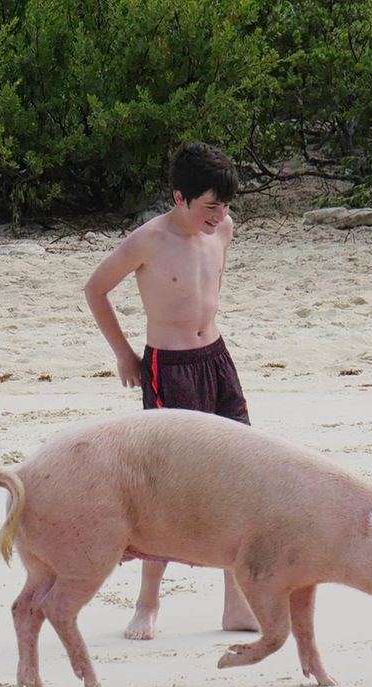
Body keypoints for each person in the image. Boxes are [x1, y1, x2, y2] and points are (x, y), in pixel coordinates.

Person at [83, 142, 259, 640]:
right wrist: (123, 354)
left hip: (217, 361)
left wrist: (220, 216)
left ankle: (236, 603)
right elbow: (95, 289)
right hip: (169, 368)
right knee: (165, 491)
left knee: (238, 477)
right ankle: (147, 603)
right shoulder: (148, 241)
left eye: (224, 205)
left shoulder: (223, 229)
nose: (219, 215)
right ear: (179, 198)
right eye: (209, 205)